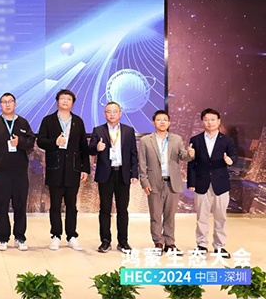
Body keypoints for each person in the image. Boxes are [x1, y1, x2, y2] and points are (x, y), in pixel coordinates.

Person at [37, 89, 90, 251]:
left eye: (68, 99)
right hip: (55, 168)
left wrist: (85, 169)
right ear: (57, 101)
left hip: (73, 169)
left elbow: (83, 147)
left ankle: (72, 236)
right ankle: (56, 235)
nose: (65, 101)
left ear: (73, 103)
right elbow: (41, 141)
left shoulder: (78, 121)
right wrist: (55, 142)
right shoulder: (48, 120)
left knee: (71, 205)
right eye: (62, 98)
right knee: (55, 205)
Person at [0, 93, 36, 251]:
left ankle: (20, 237)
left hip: (20, 173)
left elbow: (30, 143)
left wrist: (19, 142)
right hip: (0, 172)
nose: (7, 104)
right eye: (4, 102)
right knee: (1, 207)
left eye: (10, 101)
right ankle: (2, 238)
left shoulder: (23, 122)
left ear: (15, 104)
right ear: (0, 105)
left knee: (20, 206)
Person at [138, 110, 194, 255]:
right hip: (154, 182)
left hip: (172, 183)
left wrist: (190, 155)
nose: (162, 122)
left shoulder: (176, 139)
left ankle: (170, 243)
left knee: (170, 215)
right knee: (155, 215)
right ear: (153, 122)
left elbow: (183, 156)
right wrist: (144, 182)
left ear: (169, 123)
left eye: (165, 120)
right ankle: (158, 242)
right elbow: (142, 163)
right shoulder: (146, 140)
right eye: (159, 119)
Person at [88, 102, 139, 253]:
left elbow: (133, 154)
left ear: (120, 113)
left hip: (123, 174)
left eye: (115, 111)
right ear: (104, 114)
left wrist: (134, 174)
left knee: (123, 209)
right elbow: (90, 150)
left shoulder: (128, 130)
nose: (112, 114)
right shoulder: (98, 130)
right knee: (105, 209)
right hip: (106, 174)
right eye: (108, 112)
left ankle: (123, 241)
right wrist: (96, 148)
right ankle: (105, 241)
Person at [187, 108, 237, 258]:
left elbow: (234, 156)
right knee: (201, 216)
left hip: (220, 184)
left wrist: (230, 160)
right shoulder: (195, 140)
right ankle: (201, 245)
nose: (210, 122)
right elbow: (192, 163)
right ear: (202, 122)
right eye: (207, 119)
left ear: (219, 121)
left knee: (221, 217)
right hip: (201, 183)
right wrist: (191, 182)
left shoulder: (227, 140)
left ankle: (219, 246)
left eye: (213, 119)